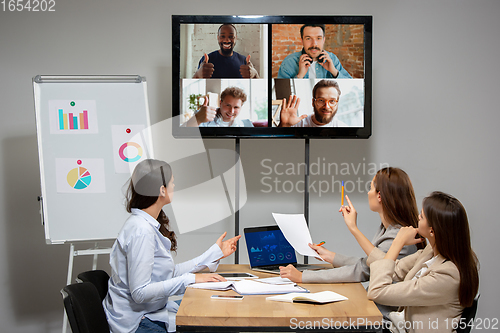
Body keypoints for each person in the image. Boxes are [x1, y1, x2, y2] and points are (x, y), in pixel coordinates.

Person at [103, 159, 241, 333]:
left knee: (208, 308)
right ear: (162, 190)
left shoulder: (146, 224)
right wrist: (191, 279)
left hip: (149, 311)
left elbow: (168, 274)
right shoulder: (141, 230)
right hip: (136, 321)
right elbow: (140, 292)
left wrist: (214, 253)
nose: (174, 186)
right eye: (172, 182)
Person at [279, 167, 424, 318]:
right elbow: (368, 264)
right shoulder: (388, 229)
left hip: (382, 316)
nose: (368, 192)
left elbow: (363, 271)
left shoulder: (398, 237)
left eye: (371, 188)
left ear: (379, 196)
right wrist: (331, 256)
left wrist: (303, 277)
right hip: (374, 309)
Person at [366, 192, 480, 333]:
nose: (417, 218)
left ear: (431, 231)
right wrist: (353, 229)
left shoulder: (448, 275)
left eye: (421, 216)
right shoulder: (431, 252)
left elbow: (377, 292)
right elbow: (394, 269)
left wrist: (398, 242)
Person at [277, 24, 352, 79]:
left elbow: (351, 84)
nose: (314, 44)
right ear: (302, 41)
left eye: (318, 38)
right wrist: (299, 76)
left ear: (323, 40)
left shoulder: (332, 58)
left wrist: (334, 72)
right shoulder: (288, 62)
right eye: (308, 38)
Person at [193, 23, 259, 79]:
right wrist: (198, 74)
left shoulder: (244, 60)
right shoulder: (206, 61)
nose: (227, 40)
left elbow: (261, 84)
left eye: (231, 36)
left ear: (236, 38)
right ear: (218, 38)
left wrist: (255, 74)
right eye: (222, 36)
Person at [279, 79, 347, 127]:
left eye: (332, 101)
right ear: (313, 102)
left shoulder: (344, 129)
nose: (326, 106)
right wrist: (284, 125)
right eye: (321, 100)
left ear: (337, 103)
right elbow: (277, 145)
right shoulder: (297, 124)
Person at [183, 86, 254, 127]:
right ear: (220, 103)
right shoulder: (202, 117)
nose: (231, 111)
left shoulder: (247, 124)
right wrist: (197, 119)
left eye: (236, 107)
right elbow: (181, 135)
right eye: (228, 105)